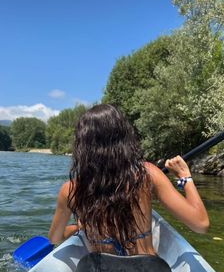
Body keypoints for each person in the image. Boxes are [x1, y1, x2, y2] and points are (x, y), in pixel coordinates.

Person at [48, 104, 209, 256]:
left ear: (82, 146)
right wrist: (185, 177)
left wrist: (78, 227)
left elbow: (55, 238)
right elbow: (200, 224)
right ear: (124, 137)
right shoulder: (148, 174)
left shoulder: (70, 189)